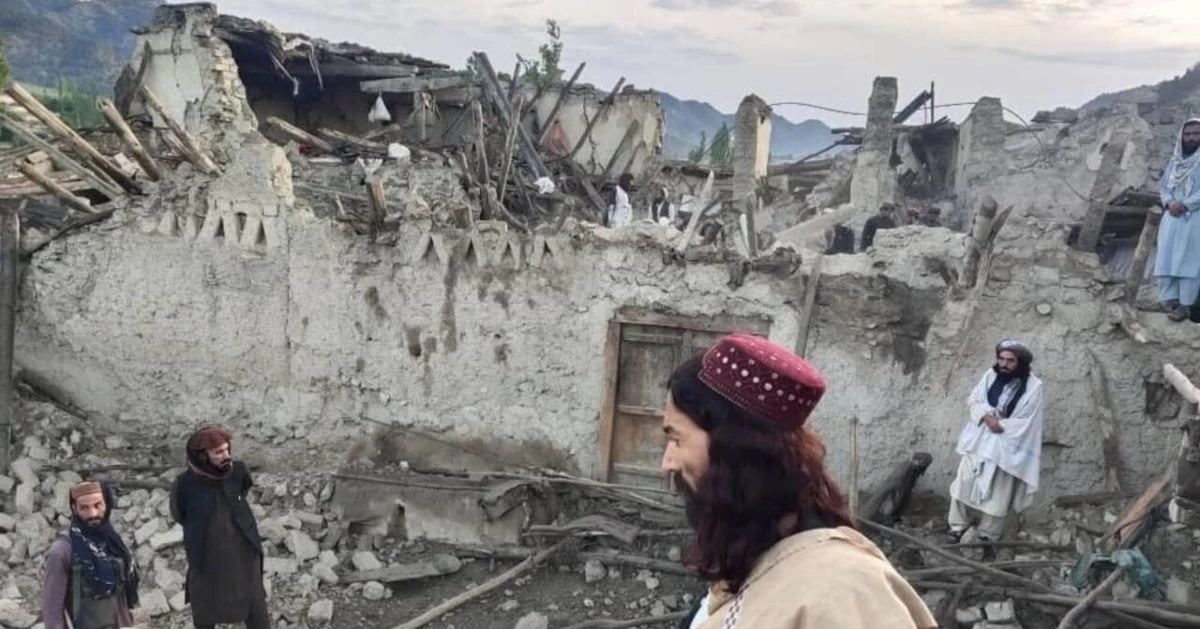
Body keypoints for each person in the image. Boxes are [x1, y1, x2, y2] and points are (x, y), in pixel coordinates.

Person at [663, 333, 936, 629]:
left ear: (734, 452)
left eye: (677, 439)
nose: (667, 462)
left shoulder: (845, 592)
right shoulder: (756, 556)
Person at [948, 339, 1044, 548]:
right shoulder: (990, 375)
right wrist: (986, 417)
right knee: (963, 484)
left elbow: (1027, 421)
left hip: (1007, 447)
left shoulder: (1034, 387)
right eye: (1001, 359)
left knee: (999, 493)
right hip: (980, 440)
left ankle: (987, 536)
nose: (1004, 364)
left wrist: (1000, 425)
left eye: (1010, 361)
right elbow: (975, 399)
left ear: (1020, 363)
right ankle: (957, 527)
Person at [171, 426, 270, 629]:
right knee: (206, 604)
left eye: (226, 449)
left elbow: (243, 489)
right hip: (206, 556)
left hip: (243, 551)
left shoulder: (238, 471)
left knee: (254, 603)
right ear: (202, 456)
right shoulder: (184, 484)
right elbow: (179, 513)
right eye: (218, 452)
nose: (226, 456)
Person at [41, 480, 140, 629]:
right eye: (84, 508)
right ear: (74, 509)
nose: (92, 514)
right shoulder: (62, 551)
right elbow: (52, 611)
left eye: (97, 505)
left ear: (107, 504)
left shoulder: (114, 543)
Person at [1155, 119, 1200, 321]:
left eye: (1196, 134)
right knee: (1167, 258)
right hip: (1172, 217)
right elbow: (1164, 187)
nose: (1192, 138)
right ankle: (1168, 301)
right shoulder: (1174, 162)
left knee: (1189, 261)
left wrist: (1185, 204)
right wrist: (1170, 202)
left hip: (1194, 218)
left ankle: (1185, 306)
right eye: (1188, 134)